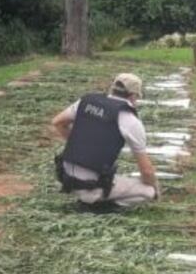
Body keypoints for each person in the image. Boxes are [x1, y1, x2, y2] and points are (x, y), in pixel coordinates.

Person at [51, 73, 159, 210]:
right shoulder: (130, 120)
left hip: (65, 177)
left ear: (112, 89)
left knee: (111, 176)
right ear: (133, 96)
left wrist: (79, 144)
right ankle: (100, 207)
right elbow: (147, 171)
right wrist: (156, 190)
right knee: (148, 192)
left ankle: (91, 197)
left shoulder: (86, 101)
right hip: (90, 186)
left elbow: (58, 122)